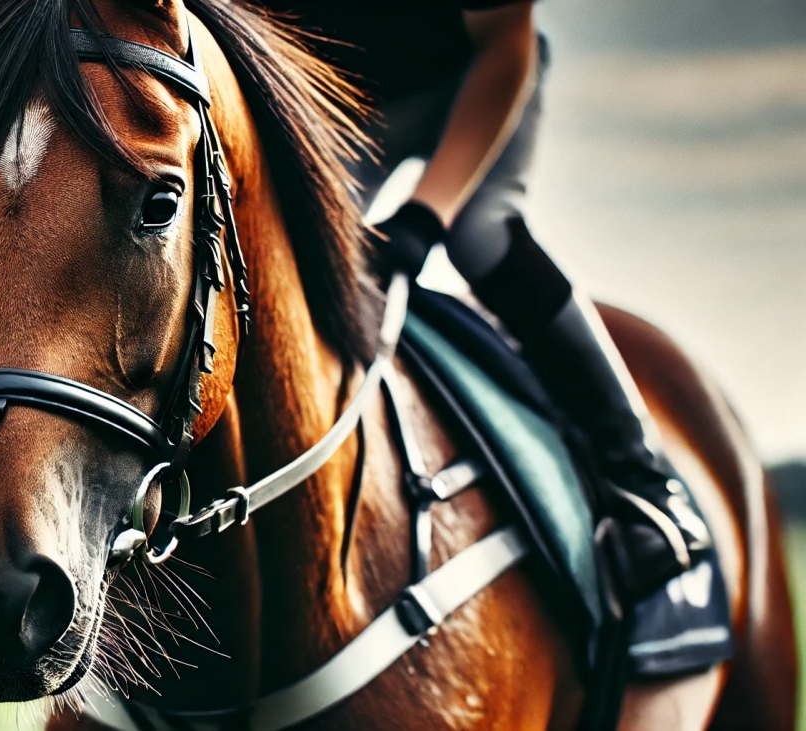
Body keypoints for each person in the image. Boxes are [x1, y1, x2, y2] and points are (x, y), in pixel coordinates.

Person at [258, 0, 711, 601]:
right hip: (330, 97)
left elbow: (505, 47)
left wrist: (424, 216)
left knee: (481, 237)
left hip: (474, 78)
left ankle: (647, 485)